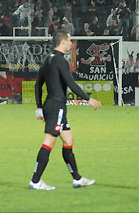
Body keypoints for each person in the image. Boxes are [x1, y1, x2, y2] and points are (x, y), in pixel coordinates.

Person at [29, 31, 101, 191]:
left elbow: (38, 84)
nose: (71, 43)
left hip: (50, 105)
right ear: (62, 42)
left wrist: (39, 107)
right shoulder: (61, 61)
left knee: (68, 140)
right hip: (57, 107)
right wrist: (88, 99)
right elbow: (71, 84)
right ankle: (35, 181)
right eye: (69, 40)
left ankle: (77, 179)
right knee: (49, 141)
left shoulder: (48, 59)